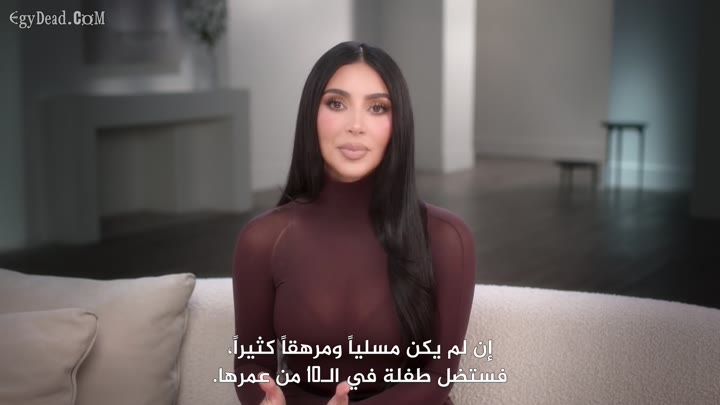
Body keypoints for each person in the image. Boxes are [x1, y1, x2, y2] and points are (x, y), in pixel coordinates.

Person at [232, 41, 476, 405]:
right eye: (336, 103)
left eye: (377, 108)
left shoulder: (446, 238)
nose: (356, 126)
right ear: (311, 114)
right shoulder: (262, 240)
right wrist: (263, 399)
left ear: (397, 124)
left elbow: (439, 376)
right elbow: (250, 365)